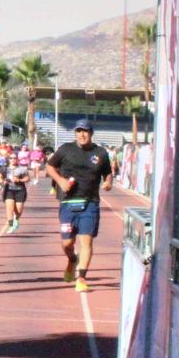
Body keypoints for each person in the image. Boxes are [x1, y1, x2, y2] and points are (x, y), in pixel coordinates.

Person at [49, 120, 115, 292]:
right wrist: (60, 181)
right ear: (75, 133)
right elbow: (50, 166)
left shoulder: (100, 153)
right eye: (78, 131)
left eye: (85, 131)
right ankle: (72, 259)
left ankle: (82, 278)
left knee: (86, 242)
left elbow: (108, 173)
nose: (82, 134)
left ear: (91, 133)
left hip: (90, 203)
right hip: (67, 203)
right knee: (67, 243)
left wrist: (108, 182)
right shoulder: (65, 149)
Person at [1, 158, 29, 234]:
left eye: (14, 158)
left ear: (17, 160)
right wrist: (2, 182)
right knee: (9, 208)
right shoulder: (5, 168)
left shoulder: (22, 169)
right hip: (9, 190)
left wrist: (19, 180)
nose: (13, 159)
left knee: (18, 210)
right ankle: (11, 225)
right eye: (11, 158)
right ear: (9, 160)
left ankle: (16, 220)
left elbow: (27, 178)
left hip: (20, 190)